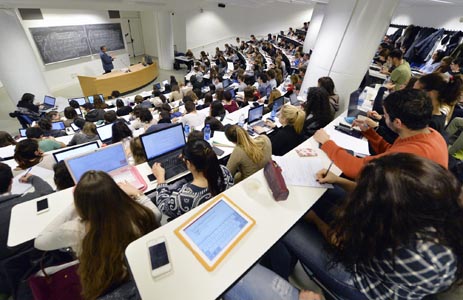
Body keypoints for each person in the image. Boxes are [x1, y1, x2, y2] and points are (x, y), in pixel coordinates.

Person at [226, 153, 463, 300]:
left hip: (362, 286)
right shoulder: (438, 210)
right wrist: (338, 180)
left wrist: (316, 221)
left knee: (284, 226)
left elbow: (340, 243)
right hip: (392, 279)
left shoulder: (412, 250)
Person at [34, 171, 161, 299]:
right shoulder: (139, 214)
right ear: (117, 193)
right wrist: (137, 193)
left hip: (102, 281)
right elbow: (156, 213)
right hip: (136, 270)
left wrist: (74, 205)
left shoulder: (74, 229)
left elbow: (39, 242)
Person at [313, 89, 448, 179]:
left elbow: (356, 168)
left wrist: (326, 143)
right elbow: (391, 152)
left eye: (386, 115)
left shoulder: (412, 153)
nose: (383, 117)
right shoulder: (432, 134)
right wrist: (369, 132)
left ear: (398, 122)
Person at [152, 139, 234, 218]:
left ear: (188, 163)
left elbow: (163, 206)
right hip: (219, 213)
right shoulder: (224, 171)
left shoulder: (185, 197)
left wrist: (160, 178)